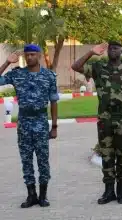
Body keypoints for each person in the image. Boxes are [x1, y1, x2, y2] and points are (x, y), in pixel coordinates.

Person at [71, 41, 122, 204]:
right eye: (110, 48)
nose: (112, 51)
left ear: (121, 50)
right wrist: (90, 52)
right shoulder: (98, 68)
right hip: (105, 121)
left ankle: (121, 192)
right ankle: (109, 192)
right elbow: (75, 66)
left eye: (115, 48)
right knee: (107, 156)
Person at [0, 44, 59, 208]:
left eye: (33, 54)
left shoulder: (49, 76)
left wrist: (54, 126)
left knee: (43, 161)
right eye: (27, 55)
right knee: (26, 160)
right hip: (24, 123)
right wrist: (6, 63)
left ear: (39, 55)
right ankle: (31, 195)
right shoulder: (17, 74)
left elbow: (54, 101)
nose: (30, 57)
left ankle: (43, 196)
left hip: (40, 122)